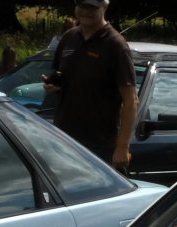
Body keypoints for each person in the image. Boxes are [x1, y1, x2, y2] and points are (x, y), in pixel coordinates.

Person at [44, 0, 136, 169]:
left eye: (92, 7)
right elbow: (62, 77)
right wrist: (54, 87)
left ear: (105, 7)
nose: (85, 12)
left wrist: (122, 147)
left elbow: (131, 100)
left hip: (99, 146)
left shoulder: (116, 44)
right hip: (63, 140)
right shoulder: (68, 38)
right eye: (82, 6)